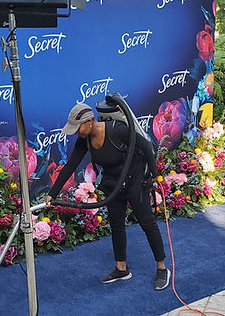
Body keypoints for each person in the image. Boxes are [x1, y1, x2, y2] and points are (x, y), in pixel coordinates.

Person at [44, 102, 170, 290]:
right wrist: (51, 194)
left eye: (77, 128)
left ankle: (162, 268)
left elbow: (146, 147)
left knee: (147, 223)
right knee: (116, 225)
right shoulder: (84, 140)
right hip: (113, 183)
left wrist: (153, 176)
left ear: (89, 122)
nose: (76, 132)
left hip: (135, 179)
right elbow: (70, 166)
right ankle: (121, 268)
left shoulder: (118, 130)